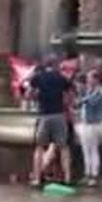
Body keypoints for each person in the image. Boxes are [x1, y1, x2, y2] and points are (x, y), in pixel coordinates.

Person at [29, 57, 73, 187]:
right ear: (55, 65)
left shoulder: (38, 77)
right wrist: (66, 103)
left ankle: (37, 178)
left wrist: (38, 98)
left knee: (39, 147)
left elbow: (29, 94)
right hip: (59, 115)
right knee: (64, 147)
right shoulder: (61, 78)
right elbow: (70, 94)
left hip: (44, 115)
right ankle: (67, 178)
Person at [76, 69, 102, 186]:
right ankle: (87, 174)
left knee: (93, 149)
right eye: (88, 78)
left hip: (94, 124)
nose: (88, 80)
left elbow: (92, 103)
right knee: (86, 150)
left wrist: (82, 100)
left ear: (96, 79)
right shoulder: (90, 90)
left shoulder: (101, 92)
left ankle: (94, 175)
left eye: (90, 78)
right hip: (86, 123)